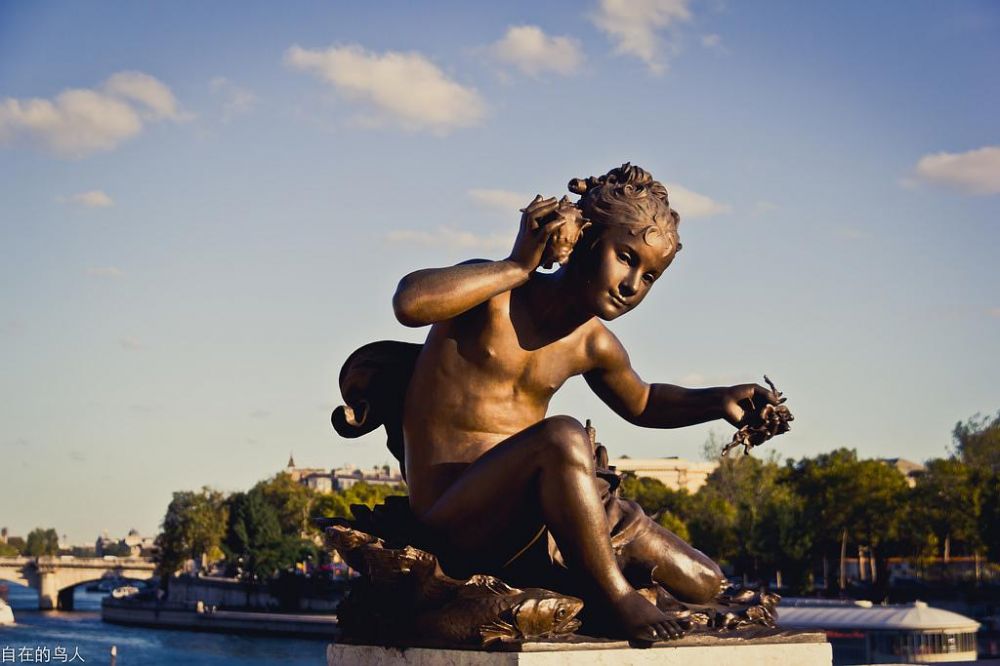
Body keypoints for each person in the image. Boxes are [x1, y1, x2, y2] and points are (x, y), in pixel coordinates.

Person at [388, 163, 787, 643]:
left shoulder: (594, 344)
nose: (632, 284)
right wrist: (516, 266)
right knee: (562, 435)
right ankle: (614, 597)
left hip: (539, 504)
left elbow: (643, 401)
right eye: (626, 257)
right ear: (587, 239)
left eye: (650, 276)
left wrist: (719, 400)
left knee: (703, 582)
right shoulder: (495, 294)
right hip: (456, 509)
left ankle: (596, 573)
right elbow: (409, 303)